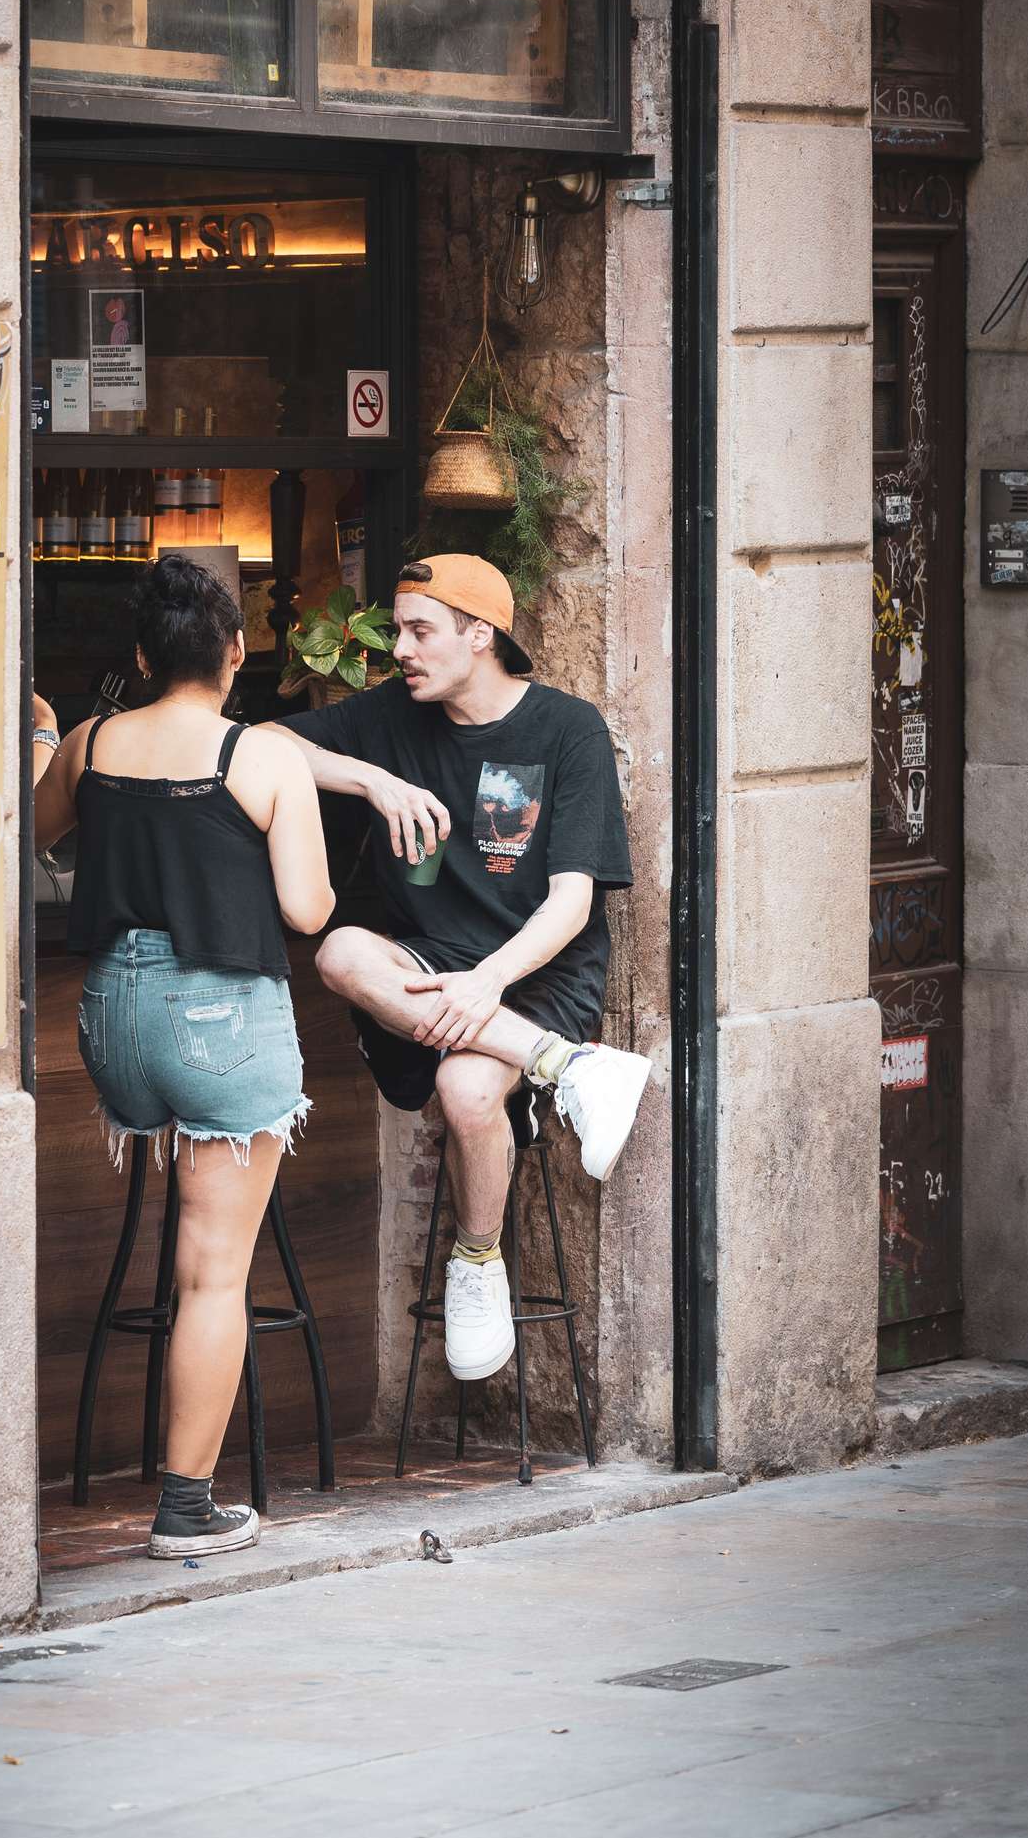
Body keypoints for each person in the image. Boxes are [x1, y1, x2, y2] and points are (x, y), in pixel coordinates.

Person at [286, 555, 649, 1388]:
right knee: (342, 950)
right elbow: (256, 746)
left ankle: (477, 1261)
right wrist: (371, 780)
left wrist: (486, 981)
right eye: (399, 630)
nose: (400, 650)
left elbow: (570, 906)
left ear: (480, 635)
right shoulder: (390, 719)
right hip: (427, 972)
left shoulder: (568, 730)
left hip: (534, 973)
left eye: (420, 631)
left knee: (469, 1092)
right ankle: (569, 1070)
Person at [34, 555, 334, 1559]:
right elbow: (306, 910)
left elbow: (34, 831)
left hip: (114, 1021)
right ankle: (185, 1508)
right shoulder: (263, 756)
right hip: (217, 1016)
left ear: (140, 657)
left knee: (181, 1245)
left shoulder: (93, 742)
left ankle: (176, 1494)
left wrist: (41, 740)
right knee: (210, 1275)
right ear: (237, 655)